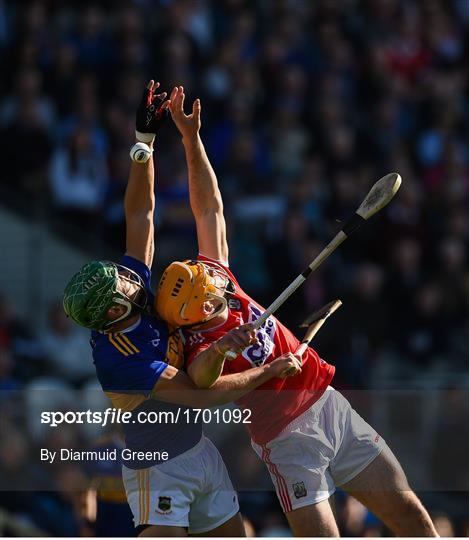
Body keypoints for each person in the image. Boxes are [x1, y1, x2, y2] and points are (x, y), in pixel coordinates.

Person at [156, 86, 438, 537]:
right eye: (204, 284)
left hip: (330, 405)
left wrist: (191, 141)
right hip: (288, 441)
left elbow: (208, 208)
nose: (211, 274)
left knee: (410, 516)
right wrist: (228, 348)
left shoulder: (219, 281)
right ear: (195, 310)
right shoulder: (196, 345)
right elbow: (206, 380)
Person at [63, 80, 300, 537]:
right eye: (120, 285)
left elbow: (140, 216)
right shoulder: (119, 358)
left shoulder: (132, 293)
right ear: (112, 313)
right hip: (159, 463)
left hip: (198, 448)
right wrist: (270, 371)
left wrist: (143, 143)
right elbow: (203, 393)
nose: (129, 275)